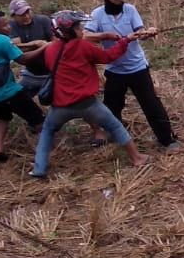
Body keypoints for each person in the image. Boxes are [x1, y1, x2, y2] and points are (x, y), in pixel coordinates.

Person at [30, 10, 149, 178]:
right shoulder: (83, 46)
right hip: (87, 103)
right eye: (79, 27)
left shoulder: (50, 50)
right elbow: (108, 57)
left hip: (60, 105)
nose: (82, 30)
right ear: (69, 31)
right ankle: (137, 158)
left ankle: (39, 169)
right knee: (114, 126)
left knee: (47, 131)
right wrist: (125, 41)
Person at [85, 0, 179, 152]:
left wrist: (146, 32)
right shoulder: (97, 14)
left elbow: (139, 30)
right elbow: (86, 36)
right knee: (111, 106)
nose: (121, 0)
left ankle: (167, 139)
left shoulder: (130, 10)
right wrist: (105, 36)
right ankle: (115, 133)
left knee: (151, 104)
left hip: (137, 68)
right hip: (114, 69)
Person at [0, 10, 49, 162]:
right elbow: (23, 60)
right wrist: (44, 47)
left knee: (2, 116)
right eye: (5, 25)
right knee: (39, 121)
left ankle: (0, 147)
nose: (9, 27)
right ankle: (45, 152)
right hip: (7, 92)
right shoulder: (3, 40)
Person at [8, 0, 54, 97]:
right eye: (22, 14)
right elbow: (16, 48)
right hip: (31, 74)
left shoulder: (43, 20)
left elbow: (55, 43)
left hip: (52, 73)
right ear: (13, 16)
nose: (27, 16)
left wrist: (44, 45)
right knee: (17, 98)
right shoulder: (11, 26)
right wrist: (36, 43)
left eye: (28, 12)